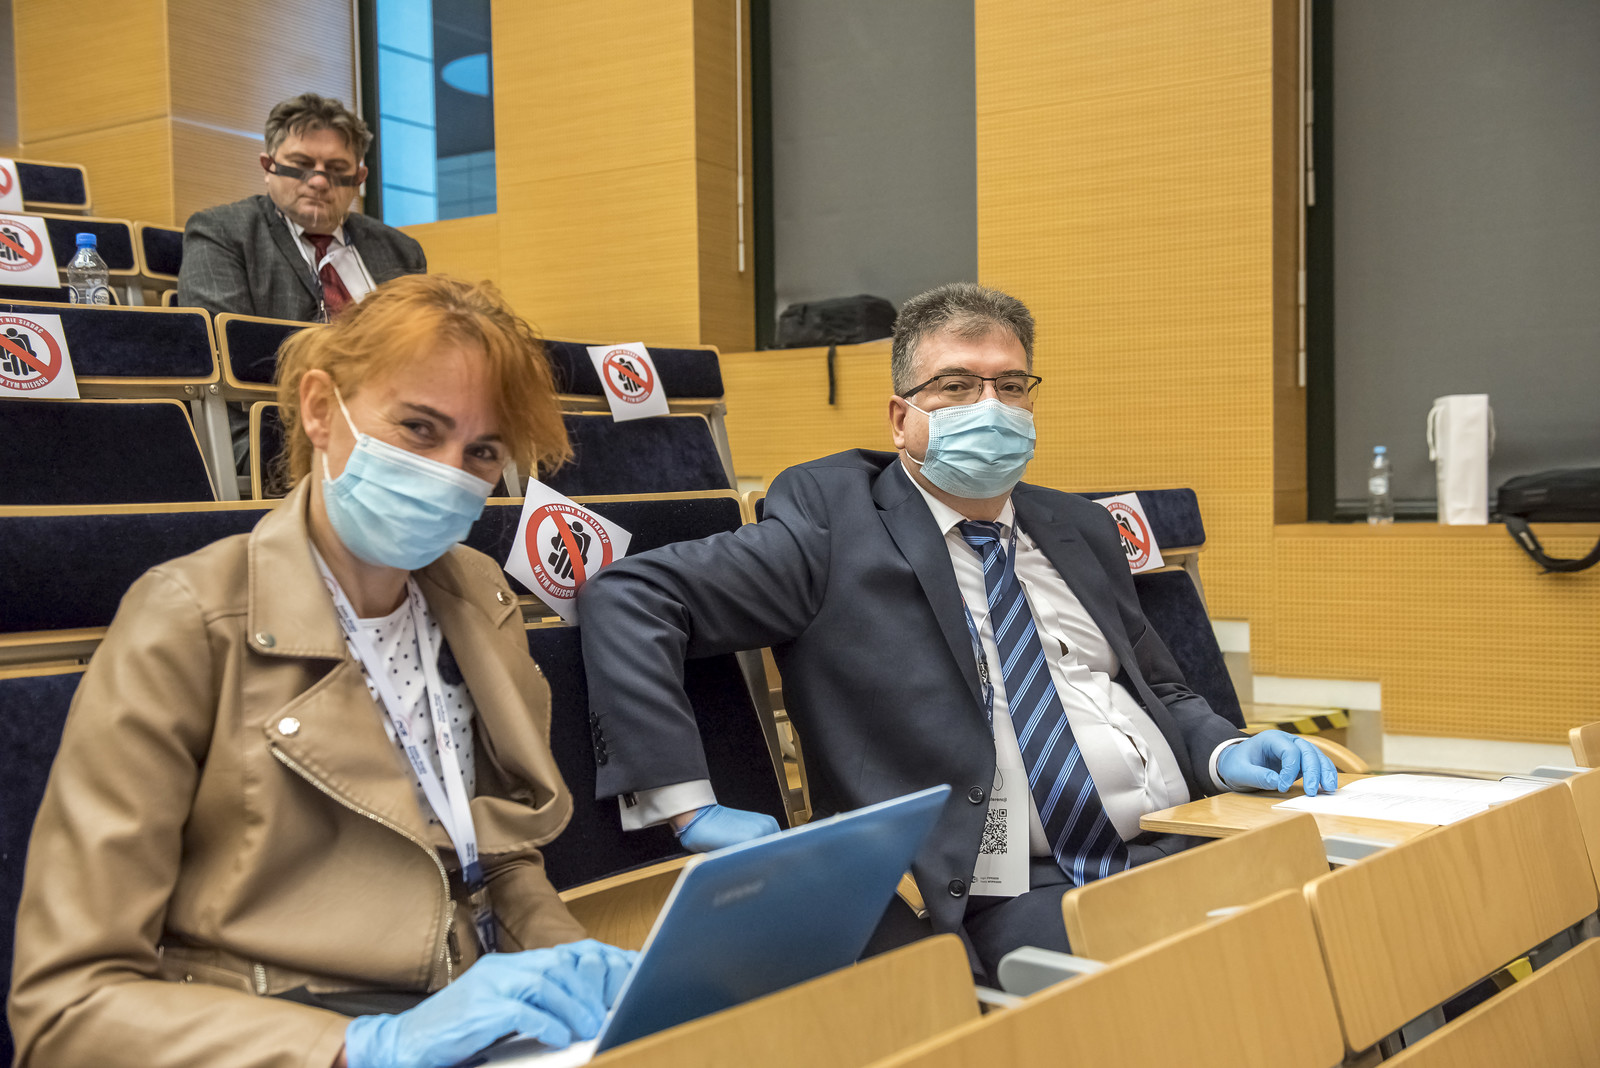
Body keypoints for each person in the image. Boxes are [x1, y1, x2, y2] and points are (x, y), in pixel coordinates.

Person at [576, 282, 1338, 981]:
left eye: (1011, 385)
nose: (991, 406)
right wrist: (688, 808)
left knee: (1344, 923)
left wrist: (1226, 750)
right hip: (1010, 889)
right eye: (956, 386)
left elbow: (1158, 689)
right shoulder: (835, 520)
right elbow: (633, 596)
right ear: (900, 417)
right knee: (1213, 988)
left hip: (1182, 840)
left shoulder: (1076, 526)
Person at [8, 275, 633, 1068]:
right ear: (319, 410)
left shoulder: (478, 595)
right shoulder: (186, 620)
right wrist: (363, 1048)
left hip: (469, 1027)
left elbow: (496, 857)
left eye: (482, 451)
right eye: (418, 428)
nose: (450, 472)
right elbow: (68, 1006)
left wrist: (573, 968)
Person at [178, 92, 426, 324]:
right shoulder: (223, 234)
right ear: (268, 167)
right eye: (301, 164)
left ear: (359, 179)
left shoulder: (401, 251)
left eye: (337, 168)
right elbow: (221, 342)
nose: (319, 182)